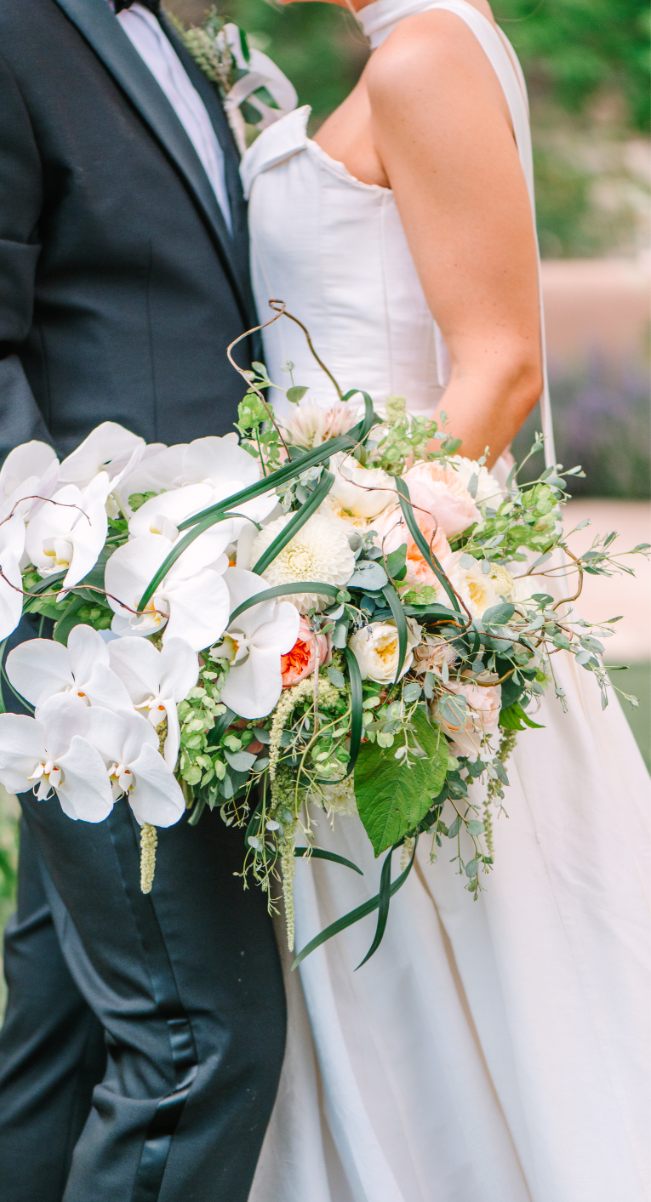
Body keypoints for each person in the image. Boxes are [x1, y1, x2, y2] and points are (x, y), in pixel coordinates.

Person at [0, 1, 286, 1199]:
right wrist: (86, 585)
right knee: (198, 1043)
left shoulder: (170, 37)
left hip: (198, 616)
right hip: (105, 648)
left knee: (69, 1029)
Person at [241, 1, 651, 1199]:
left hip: (396, 625)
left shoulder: (423, 56)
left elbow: (500, 366)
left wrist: (364, 594)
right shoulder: (424, 40)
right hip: (358, 601)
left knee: (460, 998)